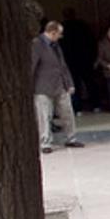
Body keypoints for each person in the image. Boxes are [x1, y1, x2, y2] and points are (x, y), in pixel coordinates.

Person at [31, 21, 84, 154]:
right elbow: (31, 66)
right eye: (59, 34)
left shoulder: (56, 45)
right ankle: (45, 143)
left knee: (67, 112)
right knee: (44, 116)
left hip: (60, 85)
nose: (61, 36)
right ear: (52, 32)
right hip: (43, 87)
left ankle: (71, 138)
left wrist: (69, 83)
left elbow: (63, 66)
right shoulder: (37, 44)